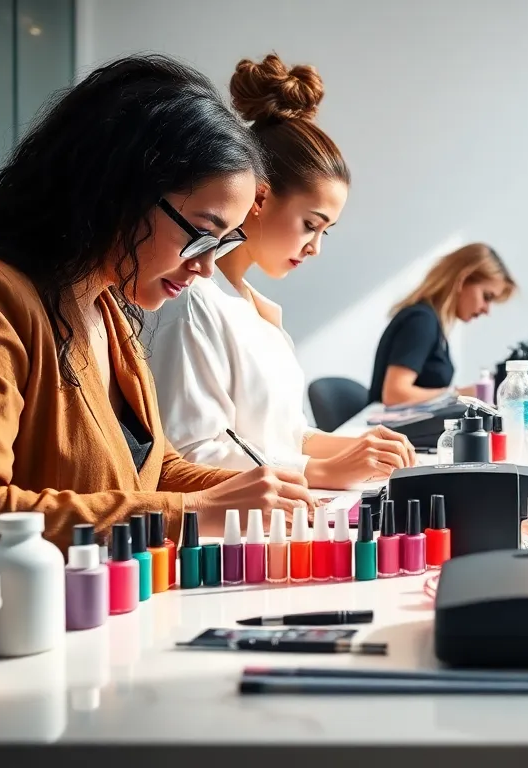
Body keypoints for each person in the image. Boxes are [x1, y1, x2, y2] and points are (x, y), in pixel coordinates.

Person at [0, 55, 318, 560]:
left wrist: (267, 494)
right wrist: (192, 510)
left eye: (223, 243)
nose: (206, 267)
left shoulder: (106, 309)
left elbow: (154, 472)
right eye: (200, 235)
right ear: (118, 191)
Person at [150, 55, 414, 490]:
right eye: (310, 224)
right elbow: (190, 451)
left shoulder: (251, 306)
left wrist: (360, 447)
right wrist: (324, 470)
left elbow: (281, 436)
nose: (315, 247)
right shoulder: (193, 299)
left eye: (326, 231)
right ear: (259, 197)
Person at [369, 244, 515, 406]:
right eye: (486, 297)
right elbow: (395, 394)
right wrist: (459, 394)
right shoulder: (421, 321)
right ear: (463, 279)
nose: (486, 310)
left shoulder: (431, 323)